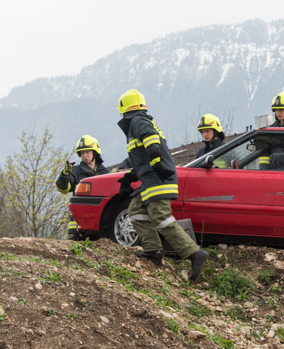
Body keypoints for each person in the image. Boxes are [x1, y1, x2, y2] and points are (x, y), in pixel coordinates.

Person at [116, 89, 209, 280]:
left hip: (158, 177)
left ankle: (194, 253)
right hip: (151, 177)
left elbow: (151, 140)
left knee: (160, 216)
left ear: (123, 109)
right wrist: (130, 177)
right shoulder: (139, 122)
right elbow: (143, 156)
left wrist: (156, 162)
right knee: (136, 210)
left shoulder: (138, 121)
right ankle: (153, 251)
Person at [56, 135, 109, 240]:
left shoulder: (105, 174)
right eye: (82, 153)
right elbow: (63, 189)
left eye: (87, 152)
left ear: (95, 152)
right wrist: (65, 175)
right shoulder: (75, 171)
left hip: (98, 223)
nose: (84, 155)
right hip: (77, 226)